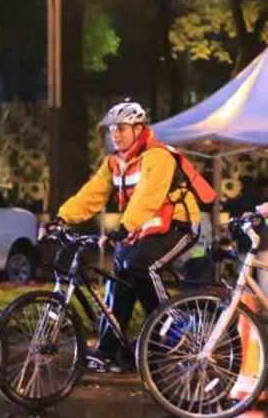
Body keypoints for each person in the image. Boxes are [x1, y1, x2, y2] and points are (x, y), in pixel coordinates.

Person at [54, 99, 204, 372]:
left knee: (143, 265)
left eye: (121, 128)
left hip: (180, 226)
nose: (115, 134)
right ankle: (111, 351)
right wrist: (62, 217)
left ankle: (175, 333)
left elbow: (149, 195)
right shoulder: (114, 162)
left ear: (139, 128)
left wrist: (124, 227)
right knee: (119, 276)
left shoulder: (157, 156)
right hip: (143, 229)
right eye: (112, 129)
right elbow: (92, 194)